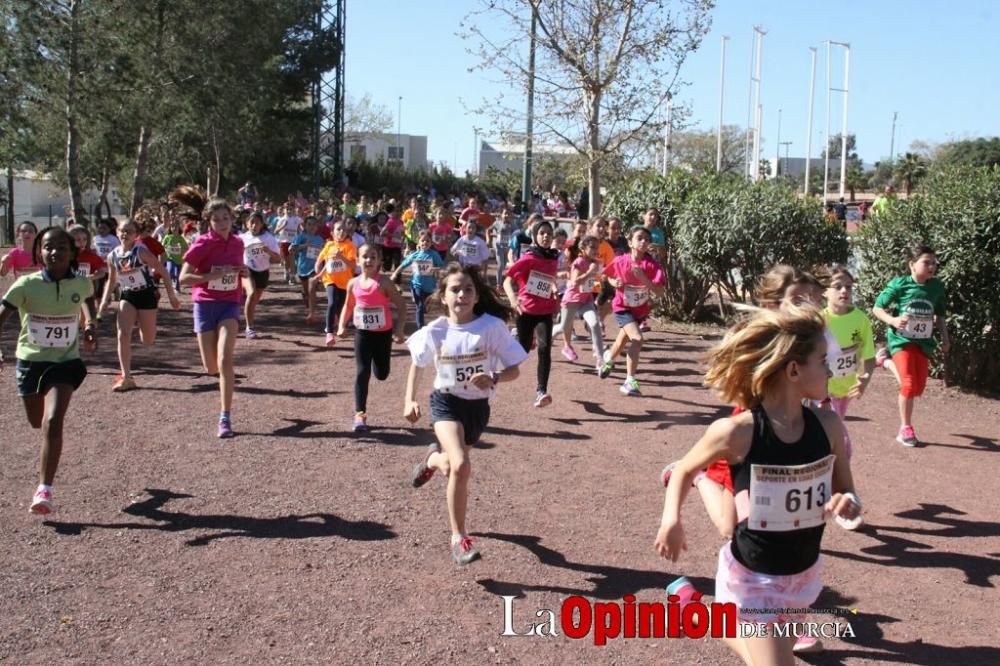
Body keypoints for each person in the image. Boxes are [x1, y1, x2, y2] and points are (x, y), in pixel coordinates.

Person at [655, 305, 861, 665]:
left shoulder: (828, 426)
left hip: (802, 575)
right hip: (753, 577)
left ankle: (697, 611)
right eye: (822, 360)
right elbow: (685, 469)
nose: (830, 369)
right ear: (794, 369)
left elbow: (849, 492)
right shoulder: (738, 431)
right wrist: (671, 520)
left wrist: (846, 502)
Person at [405, 263, 528, 565]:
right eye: (455, 289)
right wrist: (409, 400)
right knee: (461, 465)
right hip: (445, 402)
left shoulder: (490, 327)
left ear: (476, 296)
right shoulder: (436, 331)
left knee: (453, 467)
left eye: (468, 289)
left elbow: (515, 369)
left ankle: (432, 459)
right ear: (443, 296)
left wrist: (495, 377)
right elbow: (418, 364)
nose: (462, 294)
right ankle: (458, 538)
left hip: (477, 408)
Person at [0, 227, 98, 514]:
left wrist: (90, 325)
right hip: (30, 361)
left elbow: (88, 301)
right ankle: (48, 446)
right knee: (37, 422)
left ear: (72, 253)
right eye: (48, 247)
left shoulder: (80, 284)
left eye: (61, 247)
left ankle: (44, 489)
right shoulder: (25, 286)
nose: (55, 252)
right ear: (39, 252)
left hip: (65, 362)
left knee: (53, 420)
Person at [173, 185, 246, 438]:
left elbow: (238, 267)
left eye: (226, 218)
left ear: (232, 218)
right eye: (217, 219)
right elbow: (183, 278)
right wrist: (212, 275)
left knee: (226, 358)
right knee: (211, 366)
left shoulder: (238, 243)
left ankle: (225, 417)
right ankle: (221, 375)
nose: (222, 222)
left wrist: (243, 272)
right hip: (205, 304)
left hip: (229, 303)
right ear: (209, 221)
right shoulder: (201, 244)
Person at [872, 244, 949, 447]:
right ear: (912, 264)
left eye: (934, 263)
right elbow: (877, 308)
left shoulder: (936, 287)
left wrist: (946, 338)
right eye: (926, 262)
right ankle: (905, 429)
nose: (932, 266)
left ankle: (885, 361)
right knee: (907, 384)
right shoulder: (899, 285)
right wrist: (893, 321)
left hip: (923, 343)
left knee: (917, 388)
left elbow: (940, 314)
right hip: (901, 340)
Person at [98, 219, 181, 391]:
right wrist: (104, 301)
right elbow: (112, 280)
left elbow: (164, 272)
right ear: (117, 232)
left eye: (129, 231)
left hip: (146, 295)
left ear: (136, 235)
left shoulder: (141, 252)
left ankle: (146, 329)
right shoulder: (113, 256)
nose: (124, 234)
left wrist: (171, 296)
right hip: (127, 295)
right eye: (122, 230)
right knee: (123, 333)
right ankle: (126, 377)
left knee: (148, 340)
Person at [335, 243, 408, 432]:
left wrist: (399, 330)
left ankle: (380, 368)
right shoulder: (353, 283)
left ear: (379, 262)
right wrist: (342, 325)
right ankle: (360, 414)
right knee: (362, 371)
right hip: (362, 333)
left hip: (383, 334)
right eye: (365, 257)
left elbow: (401, 306)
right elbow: (348, 306)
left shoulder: (384, 283)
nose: (368, 260)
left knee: (381, 374)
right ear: (358, 260)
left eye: (373, 257)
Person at [598, 227, 666, 395]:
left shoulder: (653, 265)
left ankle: (608, 360)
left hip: (639, 310)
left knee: (621, 341)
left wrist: (644, 279)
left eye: (647, 239)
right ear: (630, 242)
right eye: (639, 238)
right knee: (637, 338)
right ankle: (629, 381)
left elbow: (659, 292)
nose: (644, 241)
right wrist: (615, 283)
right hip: (622, 307)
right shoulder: (621, 261)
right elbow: (607, 276)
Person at [503, 219, 560, 408]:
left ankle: (541, 391)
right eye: (542, 233)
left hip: (545, 311)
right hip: (526, 310)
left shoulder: (553, 258)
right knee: (523, 351)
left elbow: (548, 279)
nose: (546, 236)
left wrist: (552, 287)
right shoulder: (528, 258)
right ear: (535, 236)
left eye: (549, 234)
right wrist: (513, 300)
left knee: (545, 349)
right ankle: (519, 338)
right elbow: (507, 281)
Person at [822, 264, 875, 459]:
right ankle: (839, 475)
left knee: (831, 435)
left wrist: (865, 380)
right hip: (822, 391)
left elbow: (869, 357)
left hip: (846, 390)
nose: (844, 291)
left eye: (849, 287)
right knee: (840, 441)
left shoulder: (860, 320)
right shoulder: (818, 320)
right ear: (825, 292)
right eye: (837, 286)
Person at [552, 235, 605, 369]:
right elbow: (575, 282)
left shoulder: (596, 263)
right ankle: (546, 342)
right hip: (572, 300)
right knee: (563, 327)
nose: (595, 250)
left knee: (594, 324)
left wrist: (599, 282)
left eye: (596, 248)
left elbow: (595, 284)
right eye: (592, 247)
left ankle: (600, 359)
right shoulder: (579, 262)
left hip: (586, 299)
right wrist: (589, 272)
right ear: (583, 248)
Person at [313, 220, 357, 345]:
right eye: (338, 229)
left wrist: (341, 257)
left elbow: (353, 265)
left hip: (345, 282)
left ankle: (341, 326)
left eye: (344, 229)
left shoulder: (350, 246)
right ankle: (329, 334)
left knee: (342, 307)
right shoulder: (329, 245)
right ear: (332, 233)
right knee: (332, 302)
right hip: (330, 280)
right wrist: (318, 271)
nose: (341, 232)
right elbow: (320, 260)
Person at [239, 211, 281, 339]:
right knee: (251, 295)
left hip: (263, 272)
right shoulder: (242, 238)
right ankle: (249, 327)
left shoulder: (269, 238)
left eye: (257, 223)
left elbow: (278, 259)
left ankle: (243, 309)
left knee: (254, 300)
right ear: (246, 224)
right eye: (251, 223)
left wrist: (268, 251)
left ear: (262, 224)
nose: (254, 225)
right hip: (247, 270)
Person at [391, 231, 443, 330]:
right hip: (417, 284)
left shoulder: (434, 255)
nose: (425, 242)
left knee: (425, 308)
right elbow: (403, 265)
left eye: (428, 241)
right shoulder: (415, 255)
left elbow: (441, 267)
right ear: (418, 243)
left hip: (430, 286)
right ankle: (420, 327)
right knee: (419, 306)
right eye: (422, 240)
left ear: (431, 243)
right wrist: (395, 274)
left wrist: (436, 269)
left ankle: (422, 309)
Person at [288, 216, 325, 321]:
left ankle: (311, 314)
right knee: (307, 291)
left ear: (317, 226)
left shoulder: (319, 239)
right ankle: (305, 296)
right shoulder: (301, 237)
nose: (312, 226)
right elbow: (292, 249)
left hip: (314, 268)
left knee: (312, 288)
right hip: (303, 268)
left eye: (314, 224)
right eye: (309, 224)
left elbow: (323, 254)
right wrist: (304, 245)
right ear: (305, 226)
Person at [161, 216, 188, 292]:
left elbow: (186, 247)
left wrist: (183, 252)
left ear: (179, 228)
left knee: (178, 274)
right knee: (170, 271)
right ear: (170, 228)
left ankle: (177, 288)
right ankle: (172, 280)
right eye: (172, 227)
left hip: (179, 259)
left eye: (176, 227)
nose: (174, 228)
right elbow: (162, 246)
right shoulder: (167, 237)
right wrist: (165, 248)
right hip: (170, 258)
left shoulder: (180, 238)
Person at [489, 207, 515, 287]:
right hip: (499, 246)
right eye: (505, 213)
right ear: (501, 215)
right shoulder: (497, 223)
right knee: (500, 265)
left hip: (507, 248)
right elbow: (488, 230)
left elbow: (517, 233)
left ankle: (508, 283)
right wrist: (491, 238)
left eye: (508, 214)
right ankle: (498, 284)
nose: (506, 215)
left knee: (505, 266)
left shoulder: (512, 224)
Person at [380, 204, 405, 271]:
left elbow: (402, 233)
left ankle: (397, 279)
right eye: (396, 211)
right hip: (388, 246)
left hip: (397, 246)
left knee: (397, 263)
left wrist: (402, 239)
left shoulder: (401, 222)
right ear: (392, 212)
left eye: (400, 211)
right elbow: (382, 233)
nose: (398, 213)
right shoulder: (390, 221)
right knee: (387, 267)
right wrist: (393, 235)